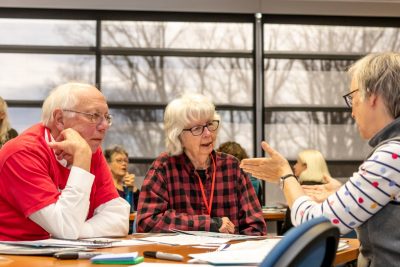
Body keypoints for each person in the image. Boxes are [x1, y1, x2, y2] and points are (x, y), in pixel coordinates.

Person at [241, 52, 400, 266]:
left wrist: (285, 176)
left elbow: (311, 221)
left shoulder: (391, 156)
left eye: (353, 97)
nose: (352, 111)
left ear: (373, 96)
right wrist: (341, 193)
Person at [0, 82, 130, 241]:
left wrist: (78, 231)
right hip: (14, 258)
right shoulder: (22, 153)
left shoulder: (90, 149)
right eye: (93, 116)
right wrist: (82, 159)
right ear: (60, 119)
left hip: (61, 255)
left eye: (106, 117)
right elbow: (67, 228)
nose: (104, 126)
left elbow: (119, 217)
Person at [136, 93, 266, 235]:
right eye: (197, 128)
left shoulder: (231, 167)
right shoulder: (164, 168)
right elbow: (147, 222)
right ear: (178, 135)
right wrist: (209, 224)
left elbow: (256, 226)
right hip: (178, 255)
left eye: (210, 124)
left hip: (226, 254)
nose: (208, 134)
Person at [281, 149, 330, 234]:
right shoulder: (331, 190)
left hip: (300, 242)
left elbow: (289, 227)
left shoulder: (300, 190)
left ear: (306, 166)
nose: (294, 166)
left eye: (297, 162)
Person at [104, 145, 139, 211]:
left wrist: (133, 189)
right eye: (119, 160)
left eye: (126, 161)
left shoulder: (127, 187)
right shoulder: (104, 188)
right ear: (108, 164)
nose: (124, 163)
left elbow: (139, 209)